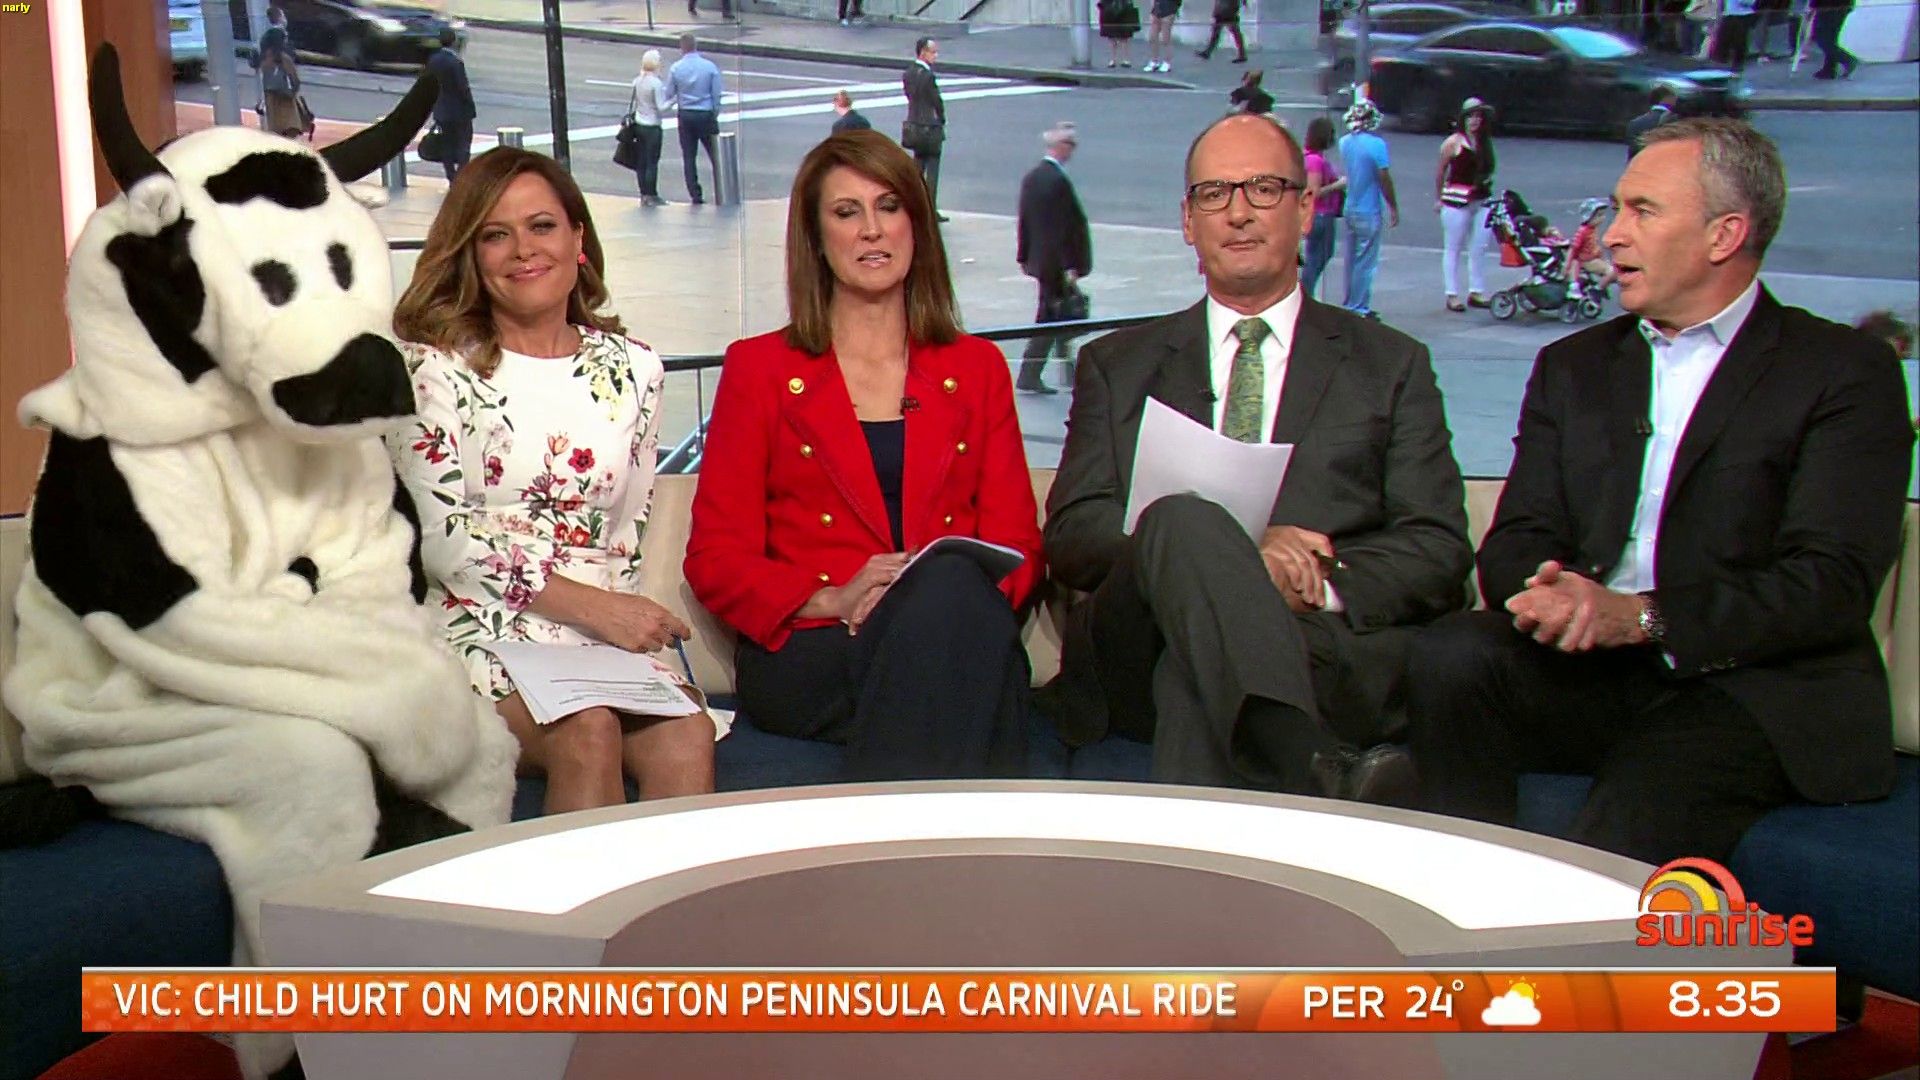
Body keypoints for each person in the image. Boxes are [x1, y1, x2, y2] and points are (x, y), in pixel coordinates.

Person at [1405, 119, 1915, 867]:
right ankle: (1460, 892)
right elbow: (1518, 536)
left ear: (1724, 235)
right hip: (1592, 671)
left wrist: (1644, 618)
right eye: (1618, 208)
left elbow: (1829, 582)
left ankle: (1571, 935)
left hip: (1754, 686)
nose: (1612, 235)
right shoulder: (1574, 367)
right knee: (1451, 654)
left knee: (1651, 787)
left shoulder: (1843, 372)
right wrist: (1553, 594)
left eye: (1642, 211)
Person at [1042, 114, 1471, 796]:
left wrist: (1313, 576)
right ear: (1188, 221)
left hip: (1314, 647)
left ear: (1306, 209)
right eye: (1214, 194)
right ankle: (1312, 766)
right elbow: (1073, 534)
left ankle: (1291, 764)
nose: (1238, 213)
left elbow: (1437, 547)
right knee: (1181, 517)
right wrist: (1231, 554)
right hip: (1136, 643)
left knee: (1195, 671)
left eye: (1264, 189)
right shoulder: (1117, 365)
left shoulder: (1390, 365)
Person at [685, 130, 1045, 780]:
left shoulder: (977, 368)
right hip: (819, 648)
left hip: (955, 628)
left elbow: (1018, 546)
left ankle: (893, 839)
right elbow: (716, 559)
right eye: (847, 213)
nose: (872, 230)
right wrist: (835, 598)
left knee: (950, 593)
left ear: (916, 224)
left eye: (889, 207)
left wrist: (924, 602)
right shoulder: (761, 370)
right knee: (971, 667)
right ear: (817, 239)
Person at [390, 148, 719, 815]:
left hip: (598, 631)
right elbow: (443, 542)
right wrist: (598, 610)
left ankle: (676, 892)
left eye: (541, 226)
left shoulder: (634, 369)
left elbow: (625, 536)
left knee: (687, 732)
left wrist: (620, 626)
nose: (523, 250)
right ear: (471, 254)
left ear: (578, 239)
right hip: (475, 621)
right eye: (495, 234)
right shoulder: (432, 368)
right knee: (587, 729)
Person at [1015, 121, 1092, 395]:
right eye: (1071, 145)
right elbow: (1065, 228)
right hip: (1055, 264)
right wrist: (1071, 264)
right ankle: (1032, 373)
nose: (1073, 150)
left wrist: (1024, 255)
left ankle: (1064, 372)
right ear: (1061, 146)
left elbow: (1025, 221)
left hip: (1041, 260)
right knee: (1053, 317)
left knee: (1059, 315)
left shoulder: (1033, 177)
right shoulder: (1057, 181)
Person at [1338, 99, 1398, 319]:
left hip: (1350, 206)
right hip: (1369, 209)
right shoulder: (1377, 145)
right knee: (1365, 261)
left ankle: (1349, 301)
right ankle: (1359, 306)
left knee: (1351, 259)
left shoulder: (1345, 142)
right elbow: (1384, 177)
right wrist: (1393, 206)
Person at [1435, 97, 1496, 313]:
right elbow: (1441, 171)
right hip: (1456, 201)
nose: (1475, 121)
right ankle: (1452, 294)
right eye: (1471, 116)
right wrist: (1439, 198)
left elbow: (1489, 169)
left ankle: (1476, 291)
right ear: (1463, 119)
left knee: (1479, 247)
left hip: (1481, 199)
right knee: (1453, 247)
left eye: (1479, 116)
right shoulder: (1453, 142)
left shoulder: (1484, 142)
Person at [665, 34, 724, 206]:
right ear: (696, 46)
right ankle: (722, 190)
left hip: (686, 115)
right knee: (716, 156)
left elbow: (669, 93)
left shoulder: (676, 68)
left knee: (689, 157)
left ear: (682, 48)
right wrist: (714, 113)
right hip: (705, 114)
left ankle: (695, 195)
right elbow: (716, 94)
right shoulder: (710, 67)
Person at [903, 38, 949, 222]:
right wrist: (942, 118)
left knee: (917, 167)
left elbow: (910, 96)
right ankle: (930, 210)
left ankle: (912, 205)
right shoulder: (928, 76)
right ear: (923, 53)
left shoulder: (908, 73)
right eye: (933, 52)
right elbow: (936, 101)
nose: (936, 55)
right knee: (932, 169)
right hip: (929, 127)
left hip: (914, 125)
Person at [1301, 116, 1345, 300]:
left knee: (1316, 255)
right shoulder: (1315, 161)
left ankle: (1306, 293)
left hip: (1318, 214)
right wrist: (1338, 185)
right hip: (1320, 214)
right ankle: (1305, 294)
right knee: (1318, 257)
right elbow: (1314, 192)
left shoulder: (1310, 157)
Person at [425, 27, 476, 181]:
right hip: (459, 112)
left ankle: (450, 175)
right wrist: (470, 106)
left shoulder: (433, 60)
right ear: (454, 42)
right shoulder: (455, 62)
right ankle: (460, 175)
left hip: (442, 110)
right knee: (463, 145)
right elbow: (463, 88)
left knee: (446, 145)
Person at [630, 50, 673, 206]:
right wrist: (674, 100)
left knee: (641, 161)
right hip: (652, 126)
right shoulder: (656, 83)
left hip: (639, 124)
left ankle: (643, 194)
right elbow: (661, 107)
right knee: (652, 162)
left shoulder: (637, 81)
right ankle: (652, 194)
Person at [254, 6, 303, 139]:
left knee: (274, 119)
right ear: (279, 18)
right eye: (283, 16)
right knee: (288, 119)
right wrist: (295, 82)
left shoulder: (265, 37)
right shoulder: (279, 36)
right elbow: (286, 59)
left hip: (270, 82)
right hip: (283, 84)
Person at [1564, 197, 1615, 300]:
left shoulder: (1592, 229)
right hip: (1586, 261)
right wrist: (1567, 265)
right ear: (1588, 217)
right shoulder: (1582, 231)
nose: (1602, 218)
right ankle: (1597, 289)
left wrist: (1602, 258)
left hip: (1593, 258)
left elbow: (1594, 246)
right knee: (1613, 272)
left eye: (1602, 215)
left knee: (1613, 271)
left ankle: (1600, 287)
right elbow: (1573, 249)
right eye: (1598, 216)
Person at [1809, 0, 1858, 79]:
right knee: (1829, 38)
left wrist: (1813, 5)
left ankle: (1848, 60)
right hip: (1839, 6)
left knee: (1823, 39)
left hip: (1829, 7)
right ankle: (1829, 69)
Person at [1626, 86, 1676, 160]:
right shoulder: (1675, 122)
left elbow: (1632, 156)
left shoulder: (1634, 123)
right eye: (1674, 98)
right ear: (1667, 99)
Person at [1098, 0, 1141, 68]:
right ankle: (1114, 59)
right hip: (1110, 7)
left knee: (1124, 35)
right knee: (1112, 36)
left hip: (1123, 6)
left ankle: (1124, 59)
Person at [1717, 0, 1758, 70]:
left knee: (1739, 39)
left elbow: (1750, 2)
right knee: (1724, 38)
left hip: (1743, 15)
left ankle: (1738, 62)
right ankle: (1723, 61)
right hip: (1729, 14)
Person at [1144, 0, 1179, 72]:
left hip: (1168, 9)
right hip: (1157, 9)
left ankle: (1167, 62)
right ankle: (1154, 61)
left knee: (1165, 38)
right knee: (1152, 37)